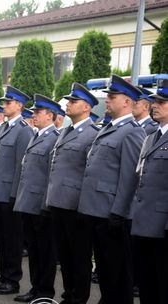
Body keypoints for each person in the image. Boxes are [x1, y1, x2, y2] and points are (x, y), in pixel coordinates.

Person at [77, 74, 146, 304]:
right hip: (96, 211)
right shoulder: (109, 128)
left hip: (112, 213)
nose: (107, 100)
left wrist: (119, 211)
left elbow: (130, 177)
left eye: (112, 97)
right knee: (106, 270)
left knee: (118, 271)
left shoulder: (132, 131)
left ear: (127, 101)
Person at [45, 82, 100, 304]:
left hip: (76, 204)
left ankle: (79, 298)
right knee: (65, 256)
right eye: (68, 101)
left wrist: (83, 205)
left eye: (73, 101)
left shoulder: (92, 133)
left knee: (79, 256)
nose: (68, 104)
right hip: (58, 201)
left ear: (86, 107)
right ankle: (69, 294)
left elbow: (90, 173)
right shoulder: (66, 131)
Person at [0, 86, 34, 295]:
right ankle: (3, 276)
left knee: (12, 239)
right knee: (2, 239)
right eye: (4, 103)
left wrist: (15, 195)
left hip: (9, 195)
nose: (4, 106)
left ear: (20, 106)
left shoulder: (23, 130)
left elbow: (20, 166)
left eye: (9, 103)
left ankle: (12, 279)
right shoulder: (4, 128)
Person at [13, 94, 61, 302]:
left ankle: (44, 291)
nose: (34, 115)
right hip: (29, 202)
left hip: (42, 204)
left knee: (45, 250)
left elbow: (52, 175)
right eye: (33, 112)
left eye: (38, 112)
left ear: (49, 115)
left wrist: (46, 204)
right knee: (34, 249)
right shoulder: (36, 136)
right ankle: (35, 288)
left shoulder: (53, 138)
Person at [131, 77, 168, 304]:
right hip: (144, 222)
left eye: (162, 102)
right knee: (147, 284)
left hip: (163, 226)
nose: (155, 105)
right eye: (154, 101)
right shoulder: (151, 137)